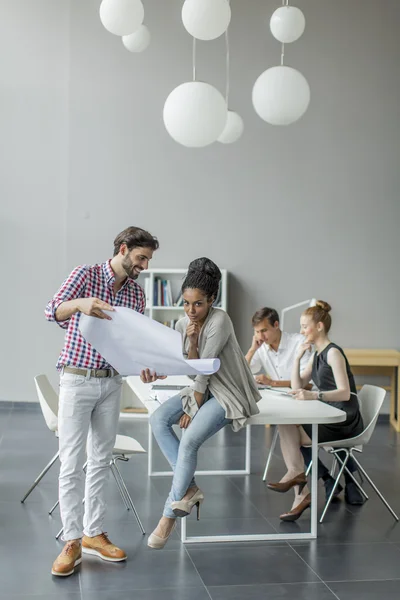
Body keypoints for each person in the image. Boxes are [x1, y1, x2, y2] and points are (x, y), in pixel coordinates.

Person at [45, 226, 159, 577]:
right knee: (71, 463)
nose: (144, 264)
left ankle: (93, 534)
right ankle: (71, 539)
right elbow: (52, 311)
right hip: (77, 380)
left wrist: (145, 366)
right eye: (141, 257)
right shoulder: (85, 275)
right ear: (123, 249)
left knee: (100, 462)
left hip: (112, 385)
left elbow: (132, 344)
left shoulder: (137, 295)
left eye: (148, 260)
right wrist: (81, 304)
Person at [141, 257, 261, 549]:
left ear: (212, 300)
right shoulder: (183, 323)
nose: (191, 311)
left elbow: (205, 369)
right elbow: (185, 364)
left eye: (198, 304)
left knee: (189, 441)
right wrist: (159, 366)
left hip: (227, 391)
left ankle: (168, 514)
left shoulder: (220, 319)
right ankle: (189, 488)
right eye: (186, 303)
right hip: (202, 388)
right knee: (157, 420)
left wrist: (193, 408)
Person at [266, 301, 364, 521]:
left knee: (290, 433)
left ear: (319, 326)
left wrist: (314, 395)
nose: (301, 332)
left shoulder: (333, 354)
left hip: (344, 419)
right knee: (285, 423)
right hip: (329, 414)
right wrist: (298, 358)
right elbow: (296, 386)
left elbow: (345, 393)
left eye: (304, 326)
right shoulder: (317, 354)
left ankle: (300, 490)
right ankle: (299, 486)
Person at [245, 307, 311, 388]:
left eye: (264, 330)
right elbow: (243, 372)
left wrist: (271, 383)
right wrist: (252, 350)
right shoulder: (261, 347)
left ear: (276, 325)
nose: (261, 336)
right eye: (257, 332)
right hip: (276, 396)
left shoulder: (299, 342)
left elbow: (307, 384)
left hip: (301, 398)